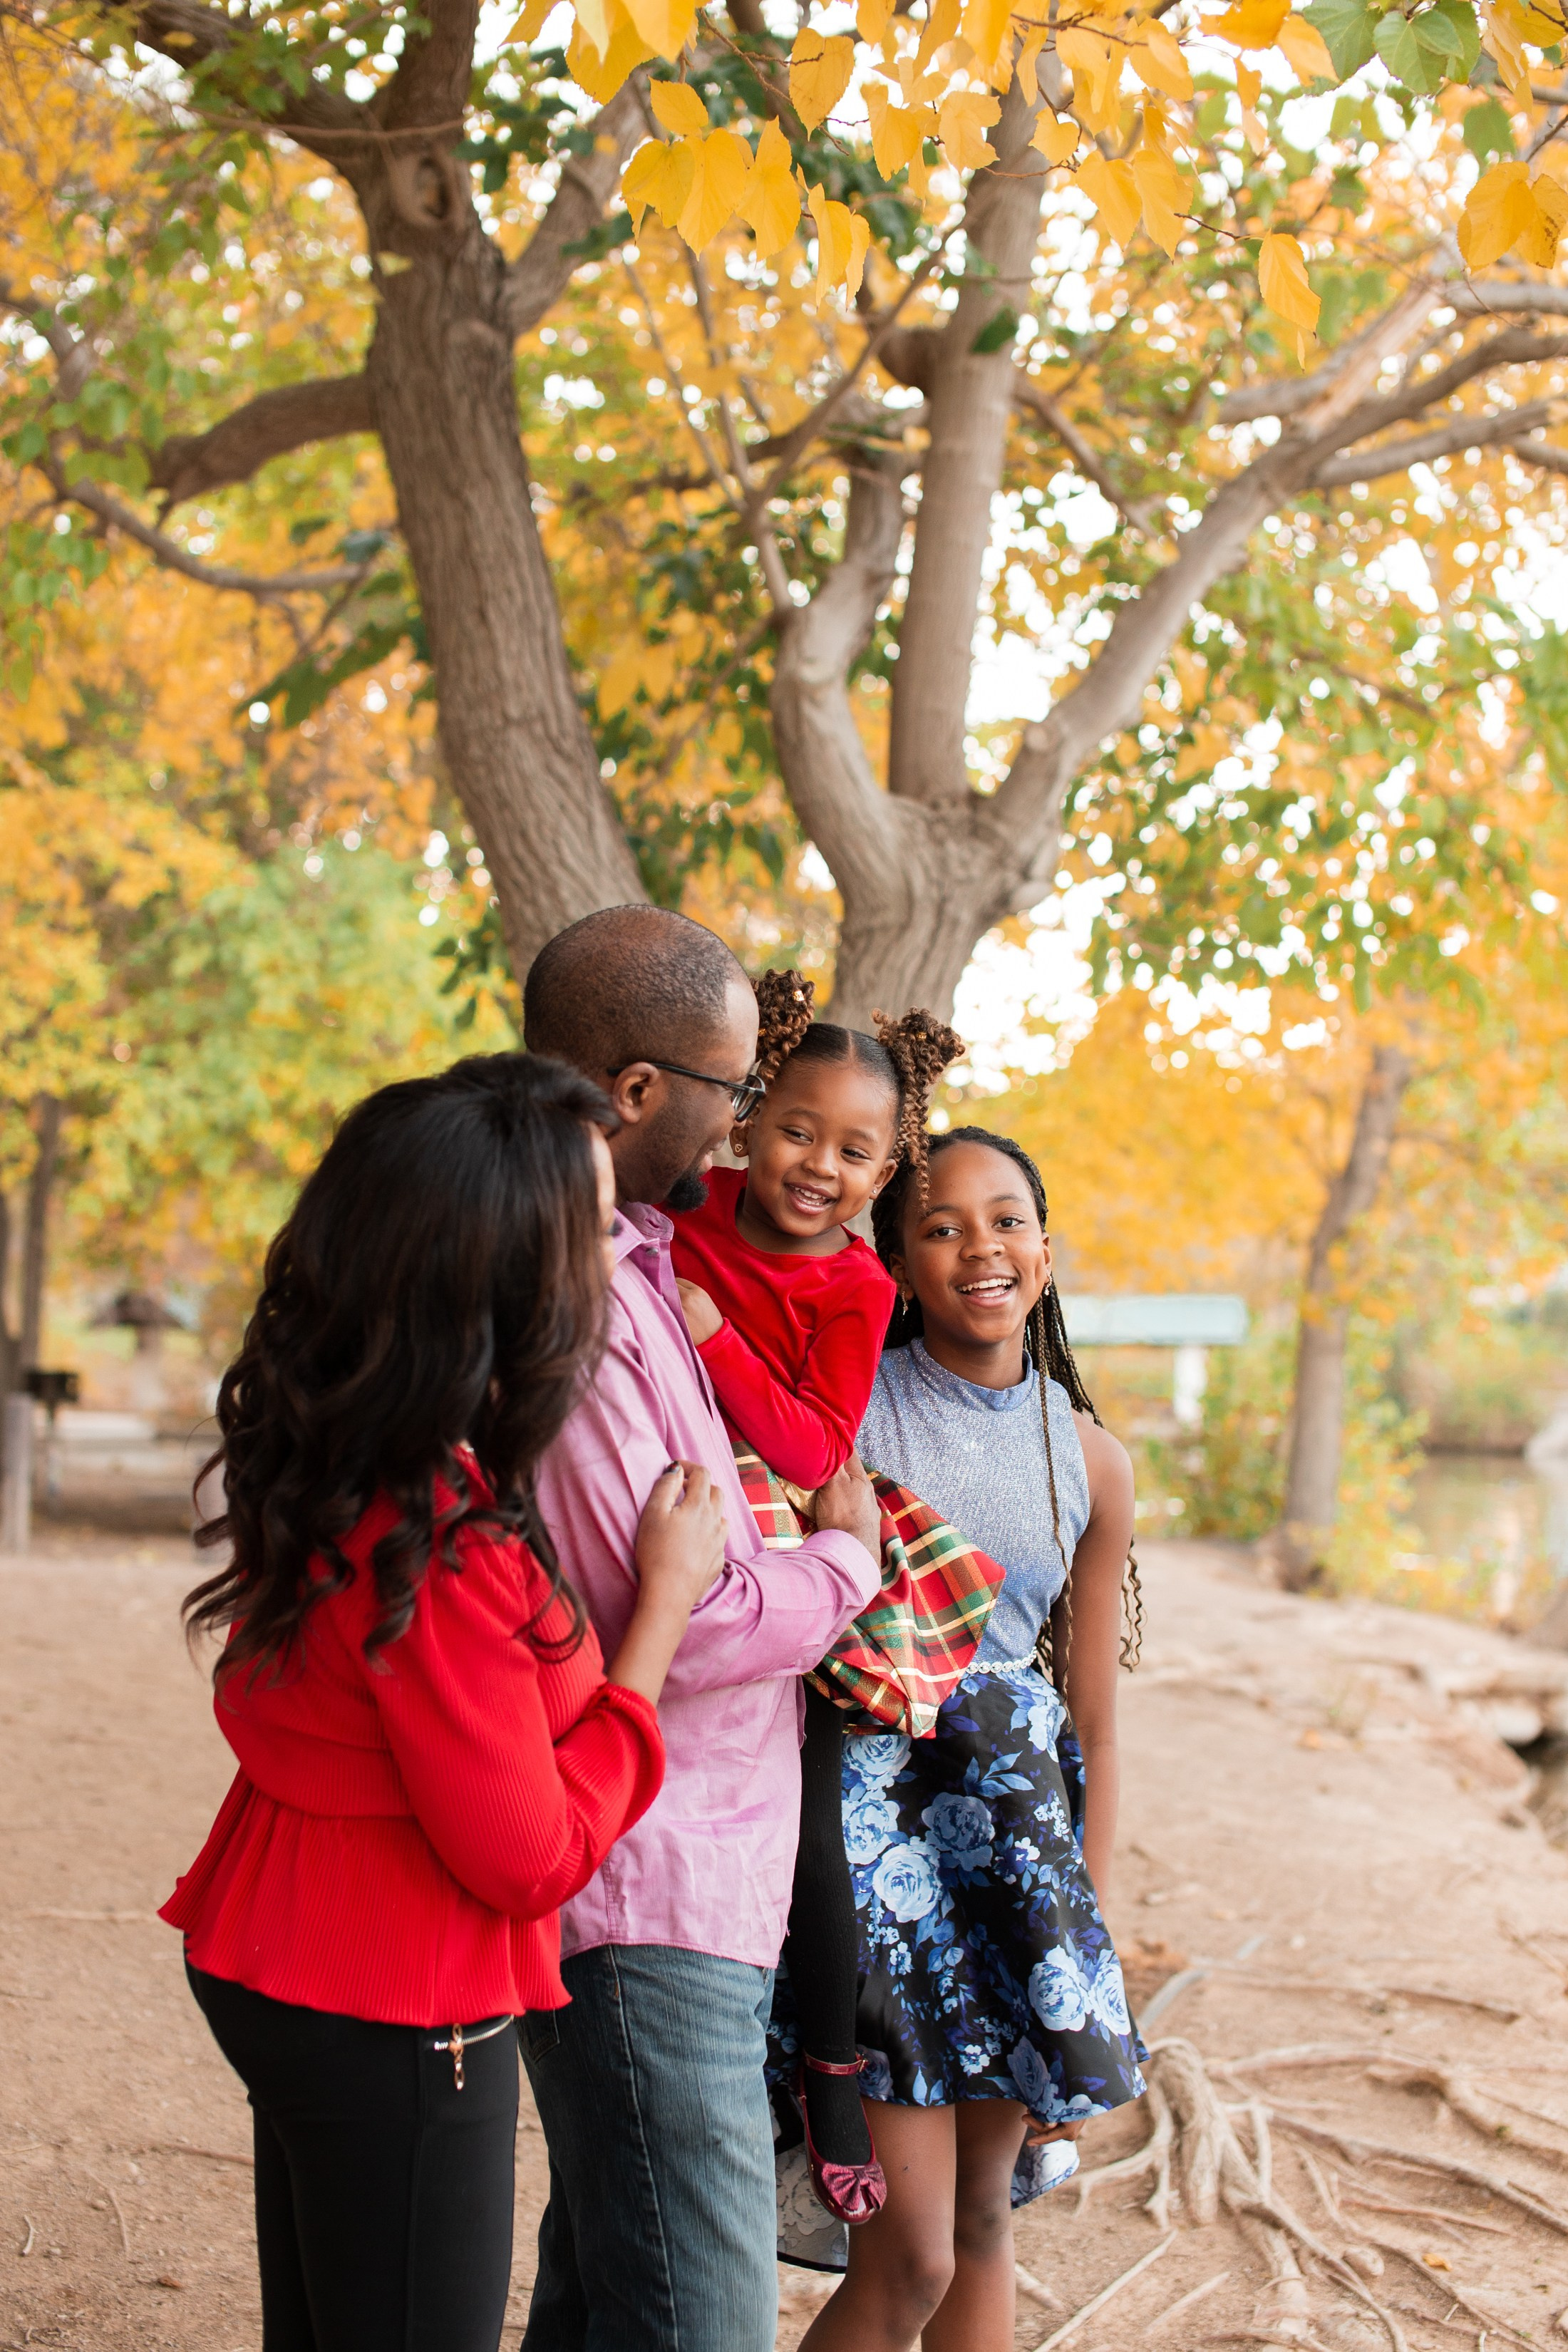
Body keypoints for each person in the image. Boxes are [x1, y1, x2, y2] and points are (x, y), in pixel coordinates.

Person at [160, 1053, 728, 2352]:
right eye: (593, 1231)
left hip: (282, 1943)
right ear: (502, 1272)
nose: (620, 1259)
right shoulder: (440, 1536)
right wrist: (660, 1612)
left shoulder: (345, 1443)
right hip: (391, 1994)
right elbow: (530, 1857)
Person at [517, 907, 885, 2352]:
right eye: (739, 1093)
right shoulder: (591, 1303)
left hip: (705, 1877)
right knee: (706, 2322)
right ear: (635, 1090)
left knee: (607, 2301)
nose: (744, 1126)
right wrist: (846, 1563)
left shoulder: (640, 1261)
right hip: (646, 1888)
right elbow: (677, 1613)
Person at [793, 1126, 1148, 2352]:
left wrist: (1084, 1930)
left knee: (987, 2221)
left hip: (1016, 1863)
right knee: (911, 2255)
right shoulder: (849, 1411)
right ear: (897, 1262)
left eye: (1006, 1222)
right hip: (871, 1855)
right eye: (941, 1228)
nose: (980, 1250)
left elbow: (1093, 1717)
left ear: (1045, 1250)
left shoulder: (1089, 1458)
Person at [668, 969, 963, 2217]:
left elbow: (812, 1447)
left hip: (801, 1547)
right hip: (681, 1515)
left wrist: (711, 1335)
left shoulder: (857, 1286)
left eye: (854, 1152)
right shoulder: (686, 1207)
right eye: (797, 1131)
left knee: (814, 1820)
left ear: (888, 1170)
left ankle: (831, 2072)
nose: (818, 1168)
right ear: (746, 1119)